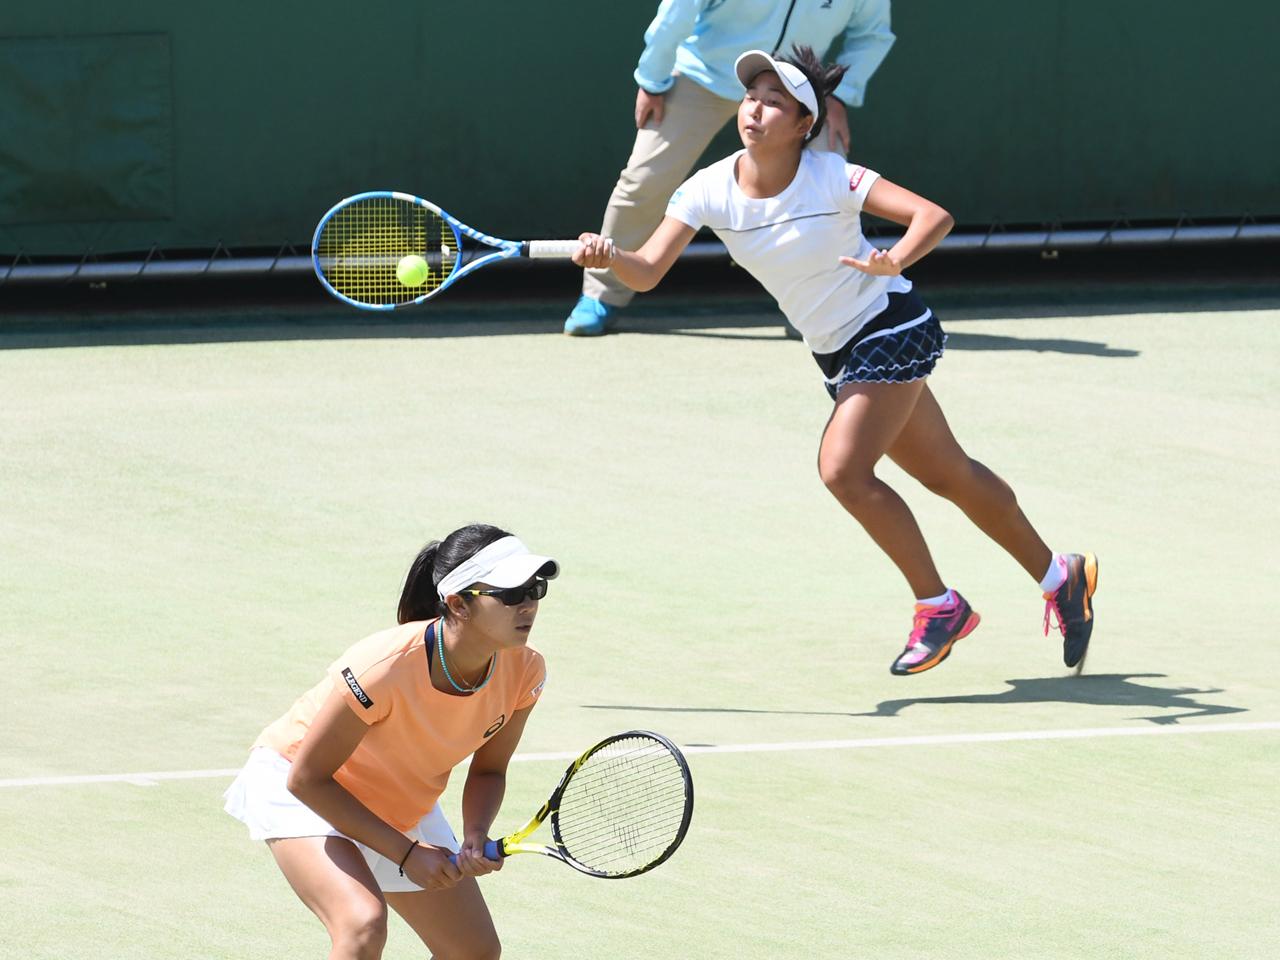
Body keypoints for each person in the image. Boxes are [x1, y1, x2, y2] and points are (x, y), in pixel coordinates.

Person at [572, 47, 1099, 675]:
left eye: (775, 102)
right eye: (751, 97)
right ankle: (1059, 574)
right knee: (948, 474)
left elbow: (933, 217)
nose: (755, 110)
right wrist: (609, 256)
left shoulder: (833, 176)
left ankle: (940, 607)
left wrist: (895, 258)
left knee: (844, 471)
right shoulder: (708, 189)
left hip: (889, 326)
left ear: (804, 125)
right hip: (836, 351)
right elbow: (650, 268)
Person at [223, 524, 557, 959]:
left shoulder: (524, 671)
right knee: (361, 924)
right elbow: (307, 779)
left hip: (398, 801)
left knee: (473, 951)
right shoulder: (383, 667)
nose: (528, 603)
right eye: (510, 593)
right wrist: (407, 853)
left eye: (535, 589)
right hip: (301, 785)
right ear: (458, 603)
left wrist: (474, 836)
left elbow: (489, 768)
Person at [565, 0, 895, 337]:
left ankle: (828, 304)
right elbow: (678, 10)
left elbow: (873, 34)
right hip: (703, 75)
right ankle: (601, 293)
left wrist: (838, 96)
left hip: (793, 96)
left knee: (832, 185)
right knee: (644, 180)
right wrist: (653, 79)